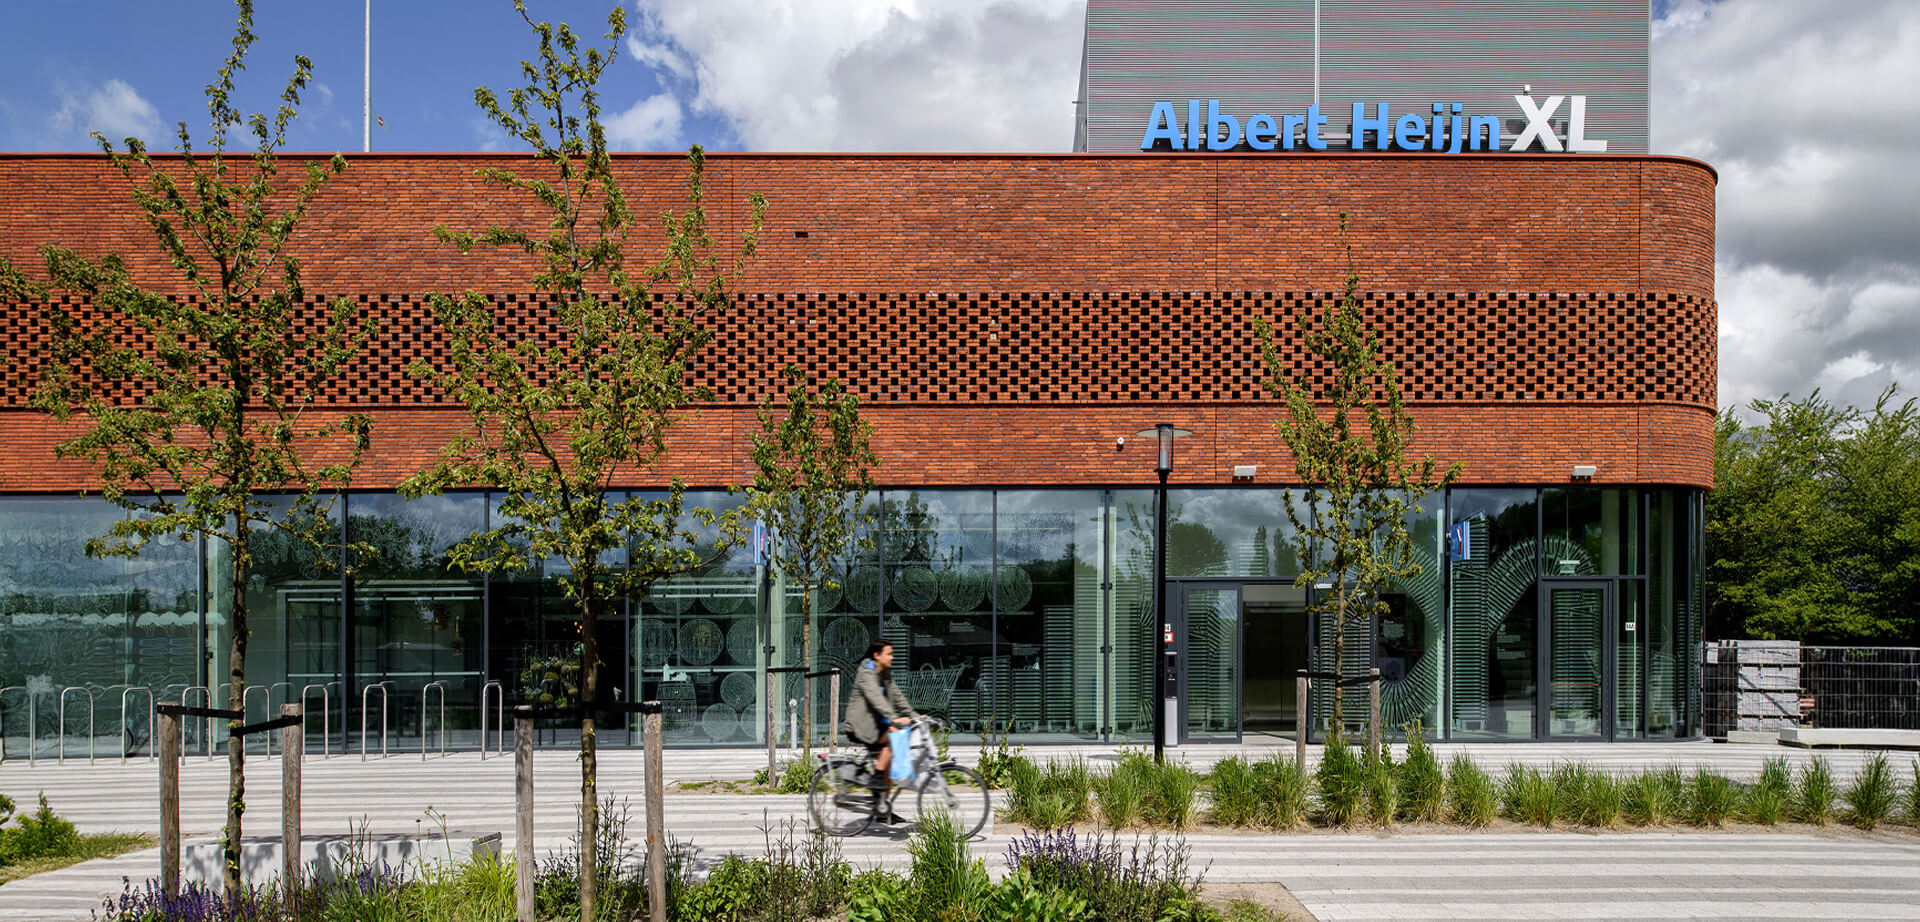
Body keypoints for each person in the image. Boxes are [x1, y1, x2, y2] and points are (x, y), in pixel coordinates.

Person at [844, 639, 917, 800]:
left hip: (877, 725)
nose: (892, 657)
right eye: (889, 654)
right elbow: (876, 698)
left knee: (889, 765)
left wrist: (915, 716)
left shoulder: (885, 673)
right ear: (877, 655)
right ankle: (876, 777)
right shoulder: (866, 673)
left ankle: (883, 808)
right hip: (861, 726)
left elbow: (897, 697)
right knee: (894, 738)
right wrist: (895, 719)